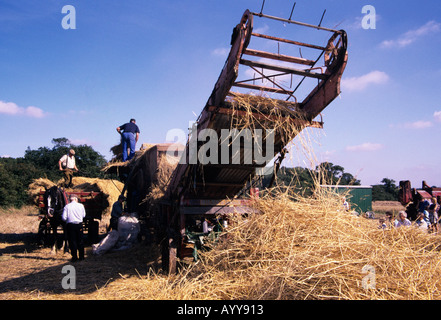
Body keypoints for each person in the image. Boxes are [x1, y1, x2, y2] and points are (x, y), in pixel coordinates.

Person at [62, 194, 86, 262]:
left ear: (70, 199)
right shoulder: (81, 206)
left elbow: (64, 218)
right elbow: (84, 215)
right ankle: (81, 257)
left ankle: (74, 257)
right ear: (76, 199)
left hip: (70, 225)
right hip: (79, 225)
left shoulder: (67, 206)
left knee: (72, 241)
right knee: (80, 240)